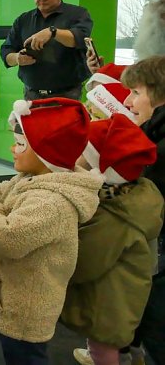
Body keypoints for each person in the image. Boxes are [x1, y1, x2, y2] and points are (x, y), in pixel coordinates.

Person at [0, 97, 102, 364]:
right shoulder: (33, 178)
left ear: (46, 152)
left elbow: (9, 238)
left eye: (20, 144)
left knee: (26, 359)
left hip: (26, 309)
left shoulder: (52, 201)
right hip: (12, 298)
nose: (12, 148)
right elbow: (0, 189)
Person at [61, 115, 163, 365]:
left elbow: (86, 261)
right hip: (124, 293)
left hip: (109, 303)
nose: (76, 159)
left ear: (101, 168)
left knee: (102, 349)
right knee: (122, 345)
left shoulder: (114, 217)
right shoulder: (135, 194)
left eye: (82, 153)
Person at [121, 55, 165, 363]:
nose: (128, 100)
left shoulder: (157, 151)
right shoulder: (152, 132)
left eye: (136, 92)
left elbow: (138, 196)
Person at [0, 0, 93, 100]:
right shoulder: (23, 20)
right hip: (31, 95)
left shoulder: (78, 14)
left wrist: (52, 32)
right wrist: (17, 58)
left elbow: (78, 39)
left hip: (67, 96)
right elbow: (6, 51)